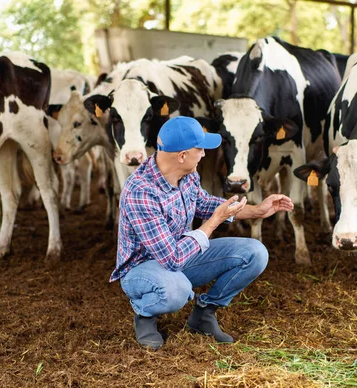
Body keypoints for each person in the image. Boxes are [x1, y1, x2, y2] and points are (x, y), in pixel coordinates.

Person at [111, 116, 294, 350]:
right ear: (182, 155)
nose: (205, 154)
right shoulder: (140, 191)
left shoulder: (187, 175)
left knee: (255, 253)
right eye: (200, 149)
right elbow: (171, 258)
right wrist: (211, 224)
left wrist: (257, 211)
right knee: (176, 290)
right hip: (143, 269)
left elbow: (206, 204)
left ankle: (203, 314)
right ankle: (145, 314)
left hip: (181, 253)